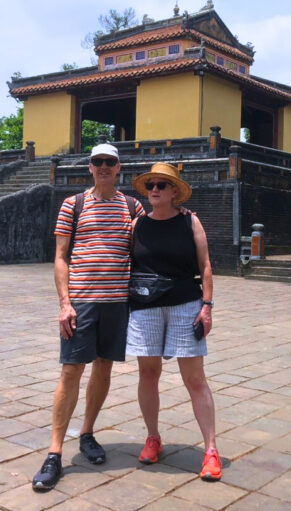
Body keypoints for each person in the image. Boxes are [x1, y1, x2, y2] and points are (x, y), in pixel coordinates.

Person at [32, 143, 144, 492]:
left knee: (104, 368)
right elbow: (61, 257)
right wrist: (65, 303)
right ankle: (54, 453)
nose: (104, 167)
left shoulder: (132, 206)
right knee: (70, 370)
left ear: (119, 167)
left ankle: (88, 433)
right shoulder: (73, 204)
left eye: (110, 162)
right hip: (81, 302)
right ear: (90, 167)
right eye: (98, 162)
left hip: (116, 303)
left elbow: (150, 242)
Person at [125, 162, 221, 481]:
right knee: (148, 372)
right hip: (146, 305)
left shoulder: (190, 221)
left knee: (194, 379)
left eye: (162, 185)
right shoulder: (137, 224)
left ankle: (210, 449)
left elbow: (205, 265)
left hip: (184, 303)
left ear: (174, 192)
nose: (155, 189)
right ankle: (153, 437)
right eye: (151, 184)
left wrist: (206, 306)